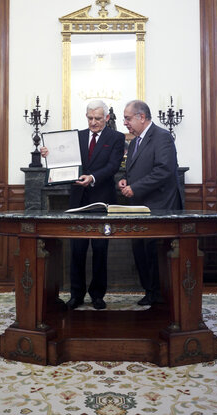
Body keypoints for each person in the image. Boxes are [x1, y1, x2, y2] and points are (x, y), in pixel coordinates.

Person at [41, 100, 125, 310]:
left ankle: (97, 295)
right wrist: (48, 154)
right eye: (89, 118)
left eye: (97, 118)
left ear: (106, 118)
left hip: (101, 200)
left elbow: (113, 167)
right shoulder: (76, 137)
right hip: (77, 200)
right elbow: (63, 159)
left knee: (99, 249)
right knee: (77, 249)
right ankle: (76, 295)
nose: (93, 122)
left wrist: (93, 177)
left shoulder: (116, 138)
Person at [118, 99, 183, 306]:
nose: (125, 123)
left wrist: (135, 187)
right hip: (139, 207)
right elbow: (135, 170)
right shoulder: (135, 141)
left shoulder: (162, 137)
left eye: (128, 119)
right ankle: (151, 292)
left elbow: (164, 170)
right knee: (140, 251)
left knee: (155, 255)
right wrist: (126, 180)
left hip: (159, 207)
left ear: (142, 117)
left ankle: (161, 297)